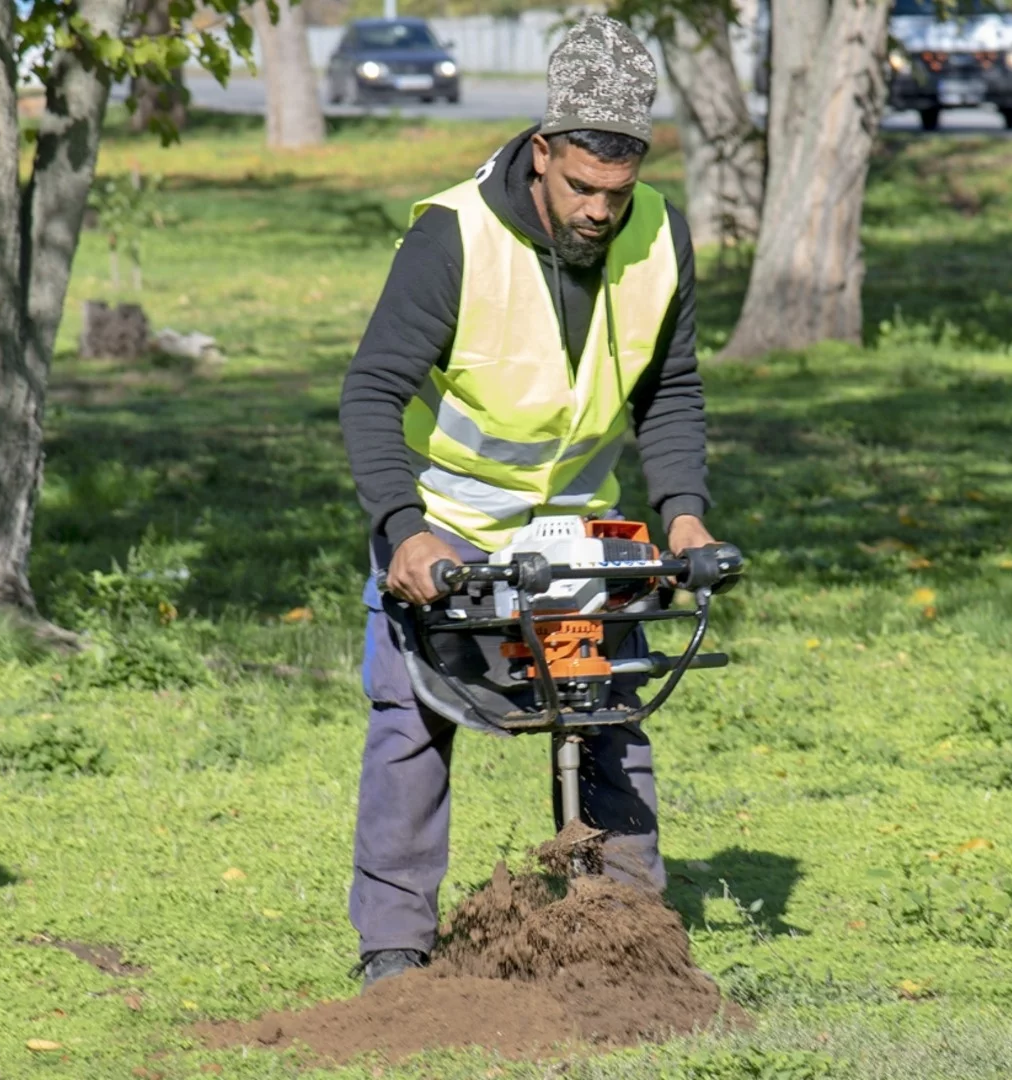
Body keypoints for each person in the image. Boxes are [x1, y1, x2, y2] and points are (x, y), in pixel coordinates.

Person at [337, 15, 715, 989]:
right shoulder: (451, 239)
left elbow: (669, 390)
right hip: (448, 529)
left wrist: (682, 513)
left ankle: (621, 933)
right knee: (411, 722)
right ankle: (394, 951)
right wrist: (403, 533)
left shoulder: (659, 236)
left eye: (617, 194)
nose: (599, 212)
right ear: (542, 153)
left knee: (605, 714)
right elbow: (370, 393)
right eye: (581, 187)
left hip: (577, 535)